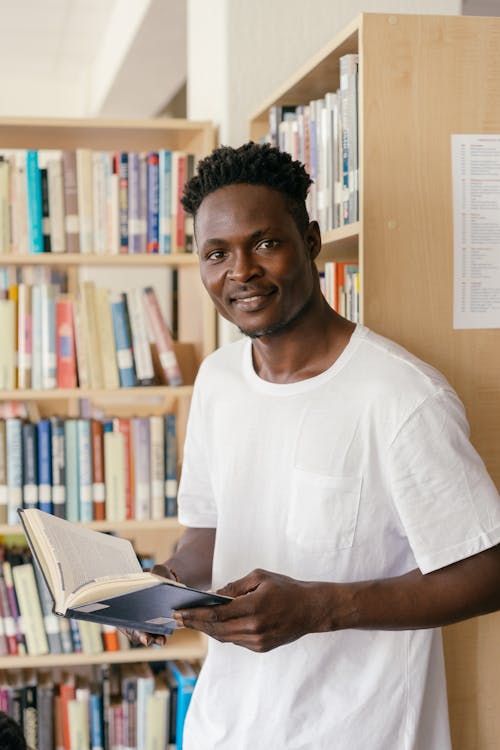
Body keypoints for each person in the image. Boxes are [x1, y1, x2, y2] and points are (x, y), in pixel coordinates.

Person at [140, 142, 500, 748]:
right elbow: (206, 533)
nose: (241, 272)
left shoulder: (401, 397)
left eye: (264, 242)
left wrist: (322, 608)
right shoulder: (219, 380)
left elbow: (488, 572)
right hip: (225, 727)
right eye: (216, 253)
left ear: (309, 241)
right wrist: (163, 585)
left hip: (361, 731)